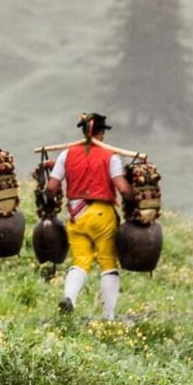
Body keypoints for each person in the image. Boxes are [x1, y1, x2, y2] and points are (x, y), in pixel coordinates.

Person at [44, 111, 134, 319]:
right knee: (108, 263)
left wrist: (50, 203)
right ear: (101, 133)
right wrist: (133, 196)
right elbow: (123, 188)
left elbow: (51, 187)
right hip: (102, 215)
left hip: (76, 215)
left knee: (80, 261)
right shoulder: (110, 157)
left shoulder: (66, 155)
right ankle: (108, 316)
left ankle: (69, 298)